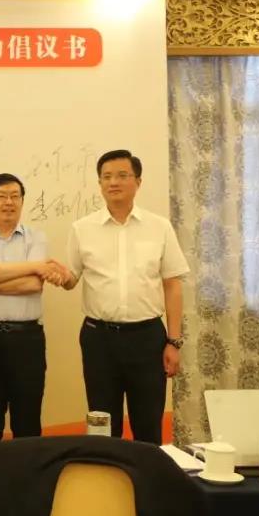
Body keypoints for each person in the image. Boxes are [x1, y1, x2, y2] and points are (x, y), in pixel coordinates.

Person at [60, 149, 189, 444]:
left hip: (147, 338)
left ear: (138, 181)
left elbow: (172, 284)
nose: (113, 182)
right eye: (106, 177)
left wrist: (173, 341)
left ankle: (146, 474)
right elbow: (71, 279)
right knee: (102, 424)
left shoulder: (159, 227)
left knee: (148, 423)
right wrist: (59, 276)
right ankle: (106, 473)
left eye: (122, 175)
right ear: (99, 184)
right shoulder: (82, 229)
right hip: (99, 339)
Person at [0, 173, 63, 440]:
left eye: (15, 196)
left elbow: (33, 285)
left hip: (28, 339)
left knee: (27, 417)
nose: (9, 202)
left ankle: (29, 468)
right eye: (1, 196)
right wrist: (34, 266)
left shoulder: (36, 238)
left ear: (22, 201)